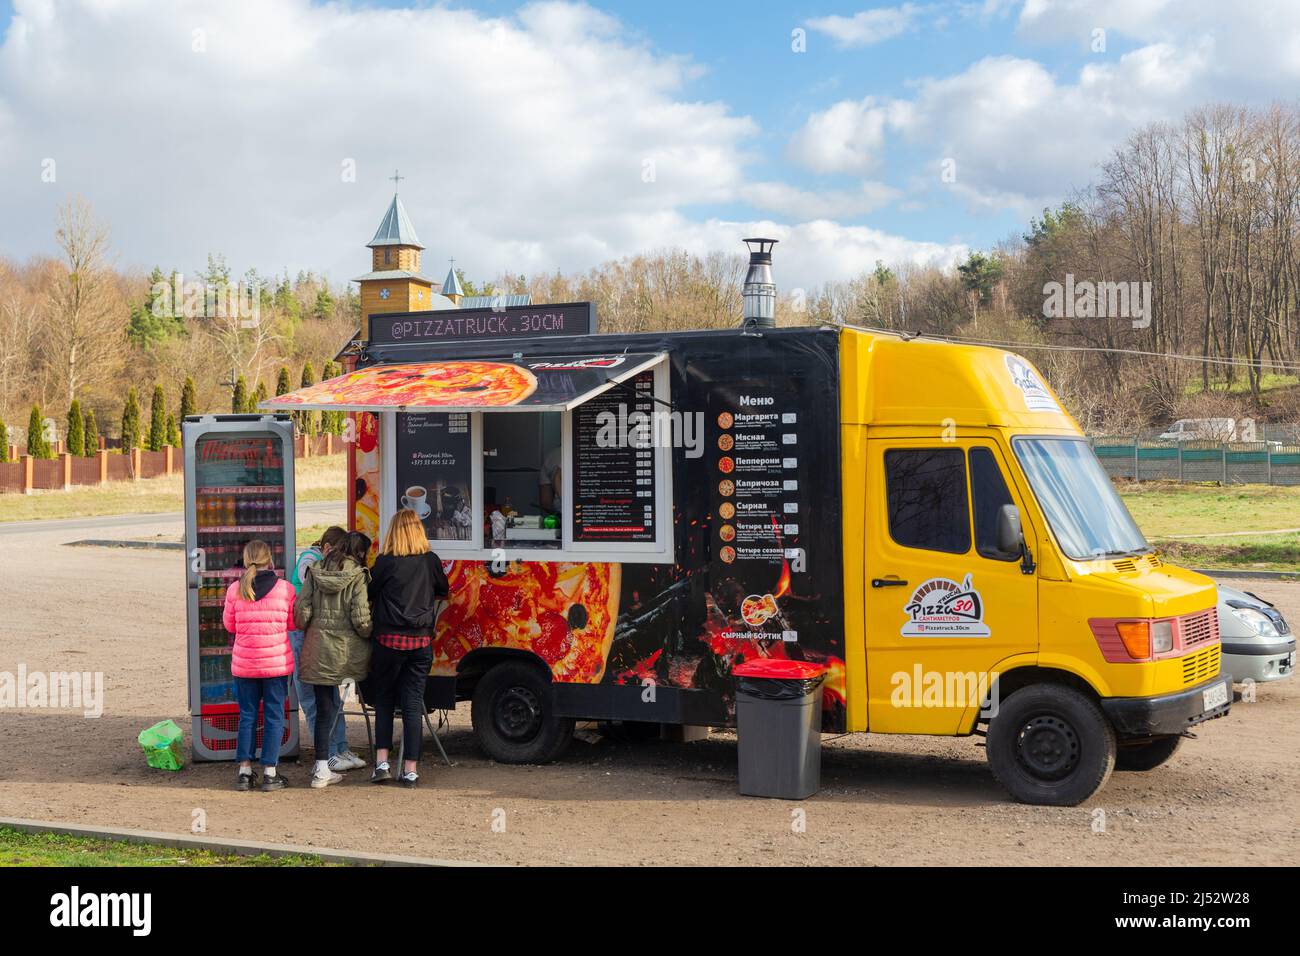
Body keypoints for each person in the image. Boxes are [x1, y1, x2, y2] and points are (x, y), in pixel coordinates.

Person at [367, 508, 449, 788]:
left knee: (385, 701)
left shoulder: (385, 562)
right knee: (413, 705)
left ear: (392, 532)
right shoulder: (430, 561)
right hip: (420, 642)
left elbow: (369, 593)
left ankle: (382, 764)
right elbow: (444, 589)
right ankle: (411, 771)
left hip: (387, 642)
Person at [295, 531, 373, 789]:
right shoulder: (358, 575)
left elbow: (301, 612)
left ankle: (321, 769)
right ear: (359, 553)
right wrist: (369, 634)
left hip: (317, 648)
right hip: (342, 651)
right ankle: (336, 755)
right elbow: (361, 619)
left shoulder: (314, 569)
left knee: (322, 706)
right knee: (333, 704)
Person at [223, 539, 295, 792]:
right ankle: (270, 772)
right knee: (274, 716)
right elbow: (293, 623)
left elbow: (230, 626)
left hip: (244, 665)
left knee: (247, 716)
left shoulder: (235, 590)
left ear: (245, 559)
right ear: (270, 558)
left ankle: (244, 771)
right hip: (275, 665)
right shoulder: (285, 589)